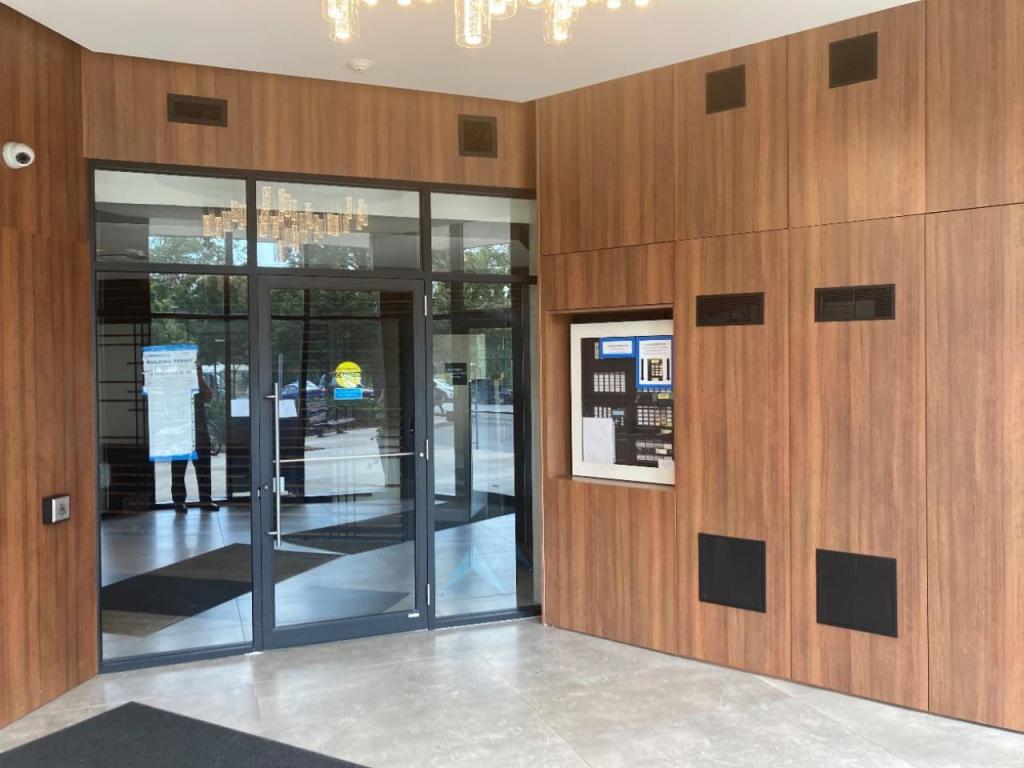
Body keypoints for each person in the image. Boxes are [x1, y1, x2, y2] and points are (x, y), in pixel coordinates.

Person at [172, 365, 219, 514]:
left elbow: (209, 395)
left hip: (200, 433)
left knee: (204, 469)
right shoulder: (176, 385)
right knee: (178, 471)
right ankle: (179, 502)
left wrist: (199, 378)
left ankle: (206, 500)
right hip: (181, 434)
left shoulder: (198, 385)